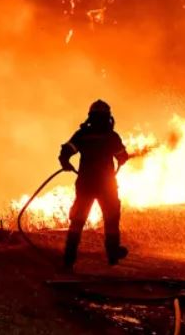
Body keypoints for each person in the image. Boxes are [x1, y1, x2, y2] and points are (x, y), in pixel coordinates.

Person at [59, 99, 130, 271]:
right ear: (108, 118)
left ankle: (69, 260)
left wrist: (65, 163)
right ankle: (113, 256)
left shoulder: (82, 135)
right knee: (111, 220)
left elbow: (66, 151)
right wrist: (122, 157)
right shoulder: (111, 137)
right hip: (106, 185)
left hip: (85, 184)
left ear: (90, 117)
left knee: (78, 221)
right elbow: (122, 156)